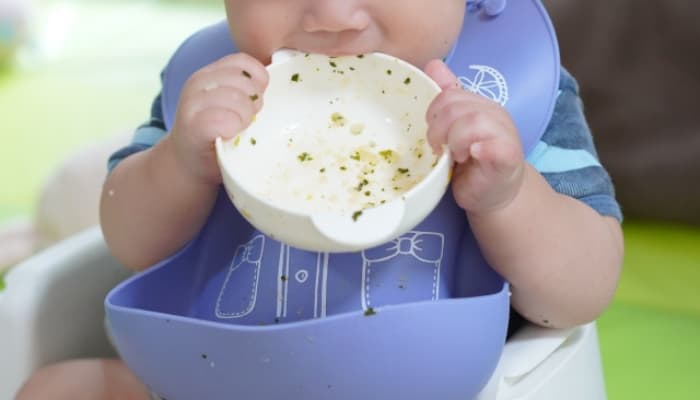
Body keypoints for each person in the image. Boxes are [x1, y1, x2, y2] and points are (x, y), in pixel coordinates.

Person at [17, 0, 623, 398]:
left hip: (439, 388)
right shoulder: (220, 88)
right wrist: (179, 162)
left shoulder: (509, 95)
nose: (333, 14)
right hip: (214, 378)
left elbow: (581, 293)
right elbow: (129, 244)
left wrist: (510, 197)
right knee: (59, 389)